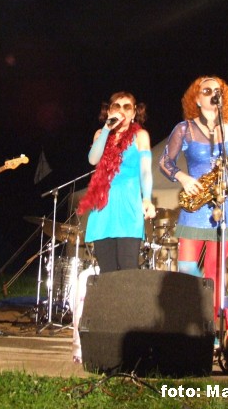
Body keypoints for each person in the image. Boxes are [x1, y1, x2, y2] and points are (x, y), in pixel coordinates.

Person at [159, 75, 228, 322]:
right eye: (206, 90)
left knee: (216, 271)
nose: (213, 94)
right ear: (196, 98)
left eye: (218, 91)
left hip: (224, 202)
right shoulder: (184, 128)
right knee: (186, 268)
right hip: (196, 204)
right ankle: (192, 311)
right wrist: (183, 178)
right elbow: (165, 161)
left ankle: (211, 326)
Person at [72, 91, 156, 363]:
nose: (121, 110)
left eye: (127, 107)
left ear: (134, 112)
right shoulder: (101, 134)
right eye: (116, 106)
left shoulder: (141, 136)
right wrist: (107, 130)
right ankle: (111, 340)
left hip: (128, 206)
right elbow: (93, 160)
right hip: (103, 209)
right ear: (108, 110)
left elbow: (146, 171)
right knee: (107, 274)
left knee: (128, 271)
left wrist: (147, 199)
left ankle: (132, 338)